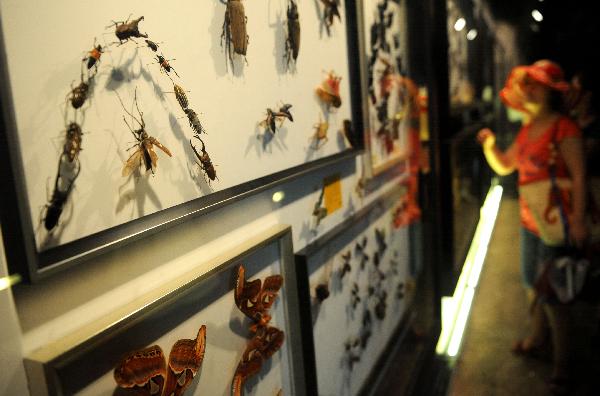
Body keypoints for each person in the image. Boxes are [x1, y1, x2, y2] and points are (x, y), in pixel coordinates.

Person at [476, 59, 587, 392]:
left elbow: (579, 175)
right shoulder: (528, 129)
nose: (528, 89)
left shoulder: (563, 128)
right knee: (532, 282)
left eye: (536, 84)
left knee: (556, 294)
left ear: (550, 91)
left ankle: (562, 363)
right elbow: (507, 166)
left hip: (558, 224)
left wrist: (579, 218)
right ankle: (538, 338)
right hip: (530, 221)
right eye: (528, 84)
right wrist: (489, 145)